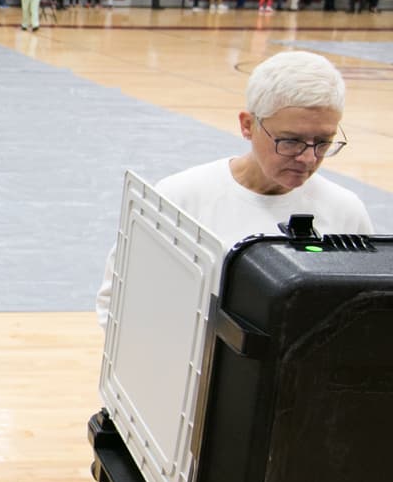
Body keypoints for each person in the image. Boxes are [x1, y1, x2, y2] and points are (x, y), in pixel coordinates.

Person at [95, 50, 371, 328]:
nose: (308, 158)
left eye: (323, 142)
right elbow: (115, 303)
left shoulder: (345, 212)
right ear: (248, 125)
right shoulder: (178, 200)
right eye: (290, 141)